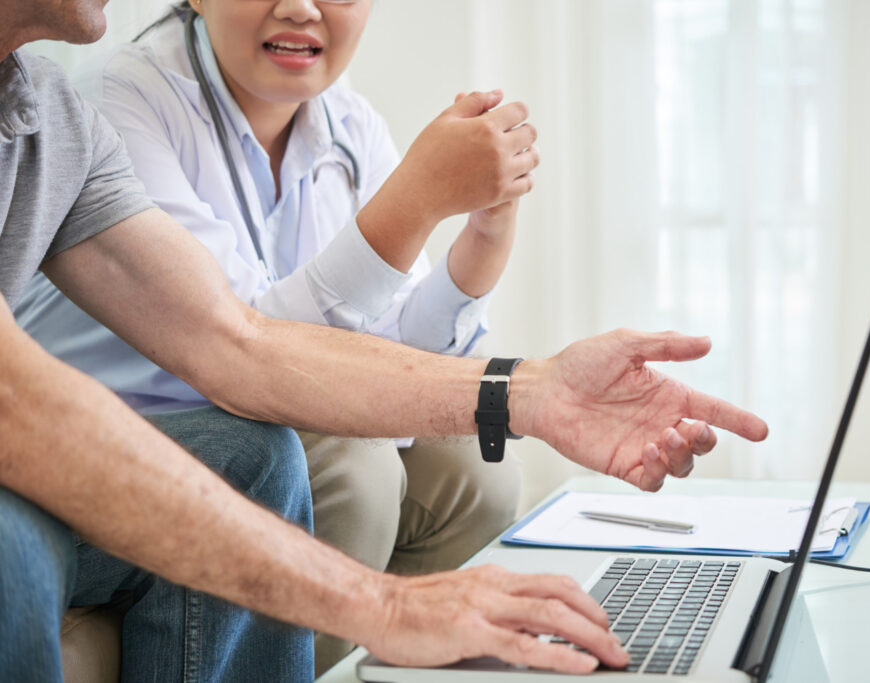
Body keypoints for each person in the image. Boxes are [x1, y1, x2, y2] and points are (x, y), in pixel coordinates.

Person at [0, 1, 768, 682]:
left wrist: (530, 388)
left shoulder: (51, 117)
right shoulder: (126, 95)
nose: (301, 7)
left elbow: (239, 343)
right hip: (127, 416)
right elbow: (30, 402)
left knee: (311, 459)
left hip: (236, 401)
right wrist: (386, 607)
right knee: (21, 541)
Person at [15, 0, 532, 670]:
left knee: (477, 468)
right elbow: (237, 343)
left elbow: (393, 353)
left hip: (250, 388)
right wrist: (416, 201)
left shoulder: (349, 123)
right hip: (164, 417)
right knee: (353, 467)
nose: (300, 7)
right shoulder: (122, 101)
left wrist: (485, 237)